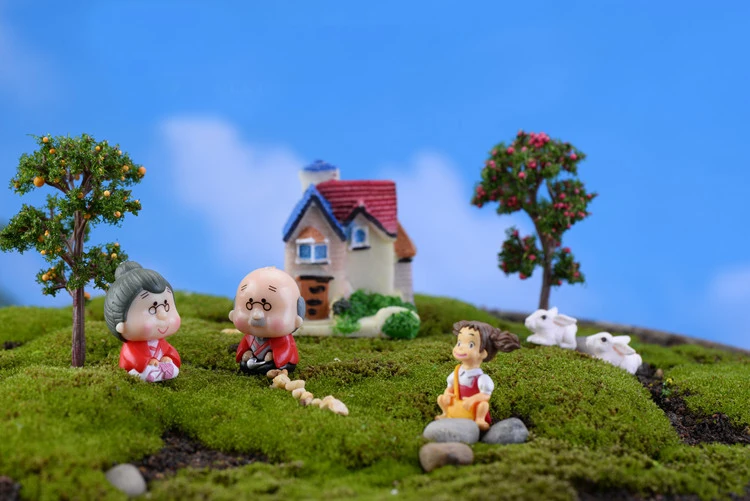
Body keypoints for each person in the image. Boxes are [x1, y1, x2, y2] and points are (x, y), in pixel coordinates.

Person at [104, 261, 181, 382]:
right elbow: (134, 359)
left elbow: (169, 351)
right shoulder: (131, 347)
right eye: (152, 310)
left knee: (170, 368)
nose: (163, 315)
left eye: (166, 306)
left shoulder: (160, 342)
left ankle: (161, 373)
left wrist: (167, 357)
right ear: (121, 324)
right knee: (141, 373)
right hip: (140, 369)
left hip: (159, 366)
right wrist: (148, 361)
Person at [436, 320, 520, 430]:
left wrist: (472, 400)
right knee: (441, 398)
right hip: (457, 406)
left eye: (471, 345)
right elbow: (450, 387)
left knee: (483, 404)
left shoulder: (482, 378)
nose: (460, 347)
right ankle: (445, 413)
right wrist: (448, 394)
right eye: (459, 342)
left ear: (483, 353)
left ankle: (480, 420)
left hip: (472, 408)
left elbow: (485, 395)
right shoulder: (456, 372)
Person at [229, 266, 305, 376]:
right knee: (245, 364)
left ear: (296, 316)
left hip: (276, 362)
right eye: (249, 306)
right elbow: (244, 348)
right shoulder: (250, 337)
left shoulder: (283, 339)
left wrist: (274, 359)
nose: (256, 315)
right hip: (254, 359)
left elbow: (284, 351)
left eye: (267, 307)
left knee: (272, 365)